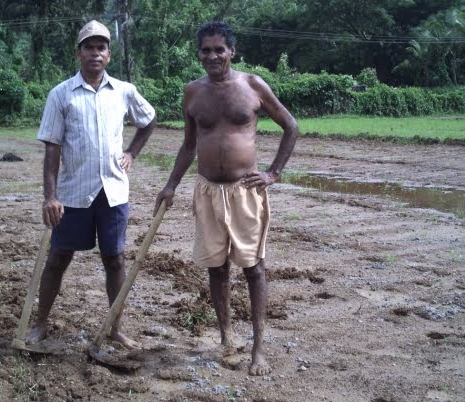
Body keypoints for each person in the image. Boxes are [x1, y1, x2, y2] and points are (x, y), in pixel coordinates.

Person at [154, 21, 298, 375]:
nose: (213, 56)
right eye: (206, 49)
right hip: (207, 190)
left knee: (253, 267)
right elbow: (188, 146)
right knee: (217, 268)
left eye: (220, 49)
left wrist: (273, 173)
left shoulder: (252, 85)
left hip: (246, 191)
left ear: (232, 52)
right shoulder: (192, 92)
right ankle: (226, 338)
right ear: (199, 53)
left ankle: (259, 349)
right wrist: (170, 185)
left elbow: (291, 126)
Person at [26, 20, 156, 349]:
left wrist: (132, 152)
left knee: (115, 259)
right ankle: (40, 322)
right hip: (72, 194)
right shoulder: (61, 94)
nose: (95, 53)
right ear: (78, 53)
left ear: (109, 55)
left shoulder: (124, 91)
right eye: (89, 47)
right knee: (58, 257)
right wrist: (50, 196)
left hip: (113, 191)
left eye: (101, 47)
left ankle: (115, 327)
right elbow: (52, 147)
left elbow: (149, 118)